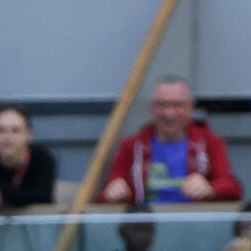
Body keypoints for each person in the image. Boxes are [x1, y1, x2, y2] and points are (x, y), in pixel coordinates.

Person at [101, 74, 240, 205]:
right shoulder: (131, 146)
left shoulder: (210, 143)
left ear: (190, 106)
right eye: (162, 105)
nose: (169, 113)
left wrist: (210, 188)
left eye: (177, 105)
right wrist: (116, 192)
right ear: (152, 108)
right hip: (146, 227)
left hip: (193, 225)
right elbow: (104, 194)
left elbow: (233, 189)